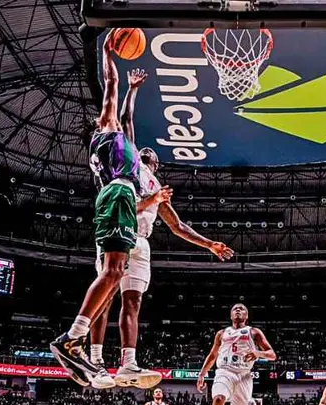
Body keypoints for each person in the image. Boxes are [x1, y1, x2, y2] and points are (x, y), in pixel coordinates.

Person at [88, 69, 234, 387]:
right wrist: (133, 90)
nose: (147, 153)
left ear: (157, 165)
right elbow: (126, 127)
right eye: (143, 151)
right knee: (107, 295)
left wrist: (210, 244)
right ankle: (96, 361)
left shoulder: (156, 184)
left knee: (133, 301)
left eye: (151, 156)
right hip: (118, 231)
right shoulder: (128, 166)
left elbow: (177, 226)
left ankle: (128, 364)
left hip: (142, 241)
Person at [48, 31, 157, 390]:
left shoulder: (119, 140)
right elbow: (109, 85)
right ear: (98, 125)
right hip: (116, 197)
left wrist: (135, 90)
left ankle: (101, 353)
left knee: (115, 272)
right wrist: (108, 50)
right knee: (111, 273)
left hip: (119, 198)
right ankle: (72, 338)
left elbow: (128, 118)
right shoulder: (105, 130)